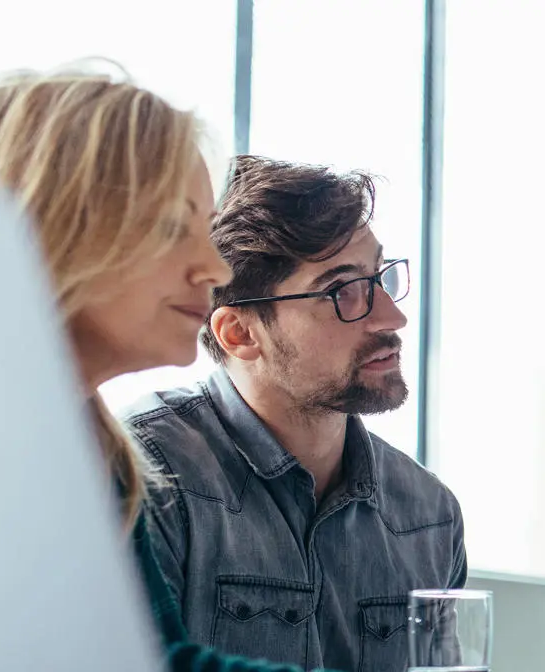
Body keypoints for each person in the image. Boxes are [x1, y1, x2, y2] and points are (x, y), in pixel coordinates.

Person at [0, 65, 545, 672]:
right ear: (239, 333)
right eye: (173, 228)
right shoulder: (130, 467)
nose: (209, 270)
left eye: (380, 278)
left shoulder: (98, 453)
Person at [119, 155, 459, 672]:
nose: (393, 317)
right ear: (240, 333)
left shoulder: (429, 513)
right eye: (344, 291)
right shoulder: (149, 476)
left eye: (380, 279)